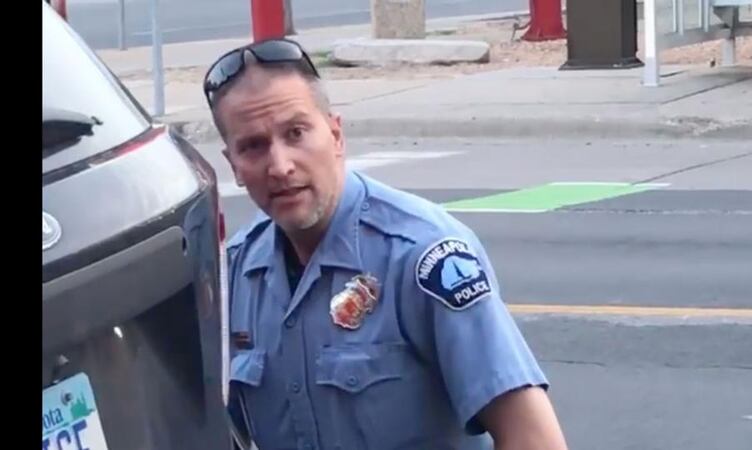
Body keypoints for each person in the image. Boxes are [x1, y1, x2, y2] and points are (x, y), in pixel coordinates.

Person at [205, 38, 569, 450]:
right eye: (253, 146)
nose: (280, 166)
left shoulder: (422, 254)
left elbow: (534, 438)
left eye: (296, 133)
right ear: (233, 165)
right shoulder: (236, 273)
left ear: (336, 135)